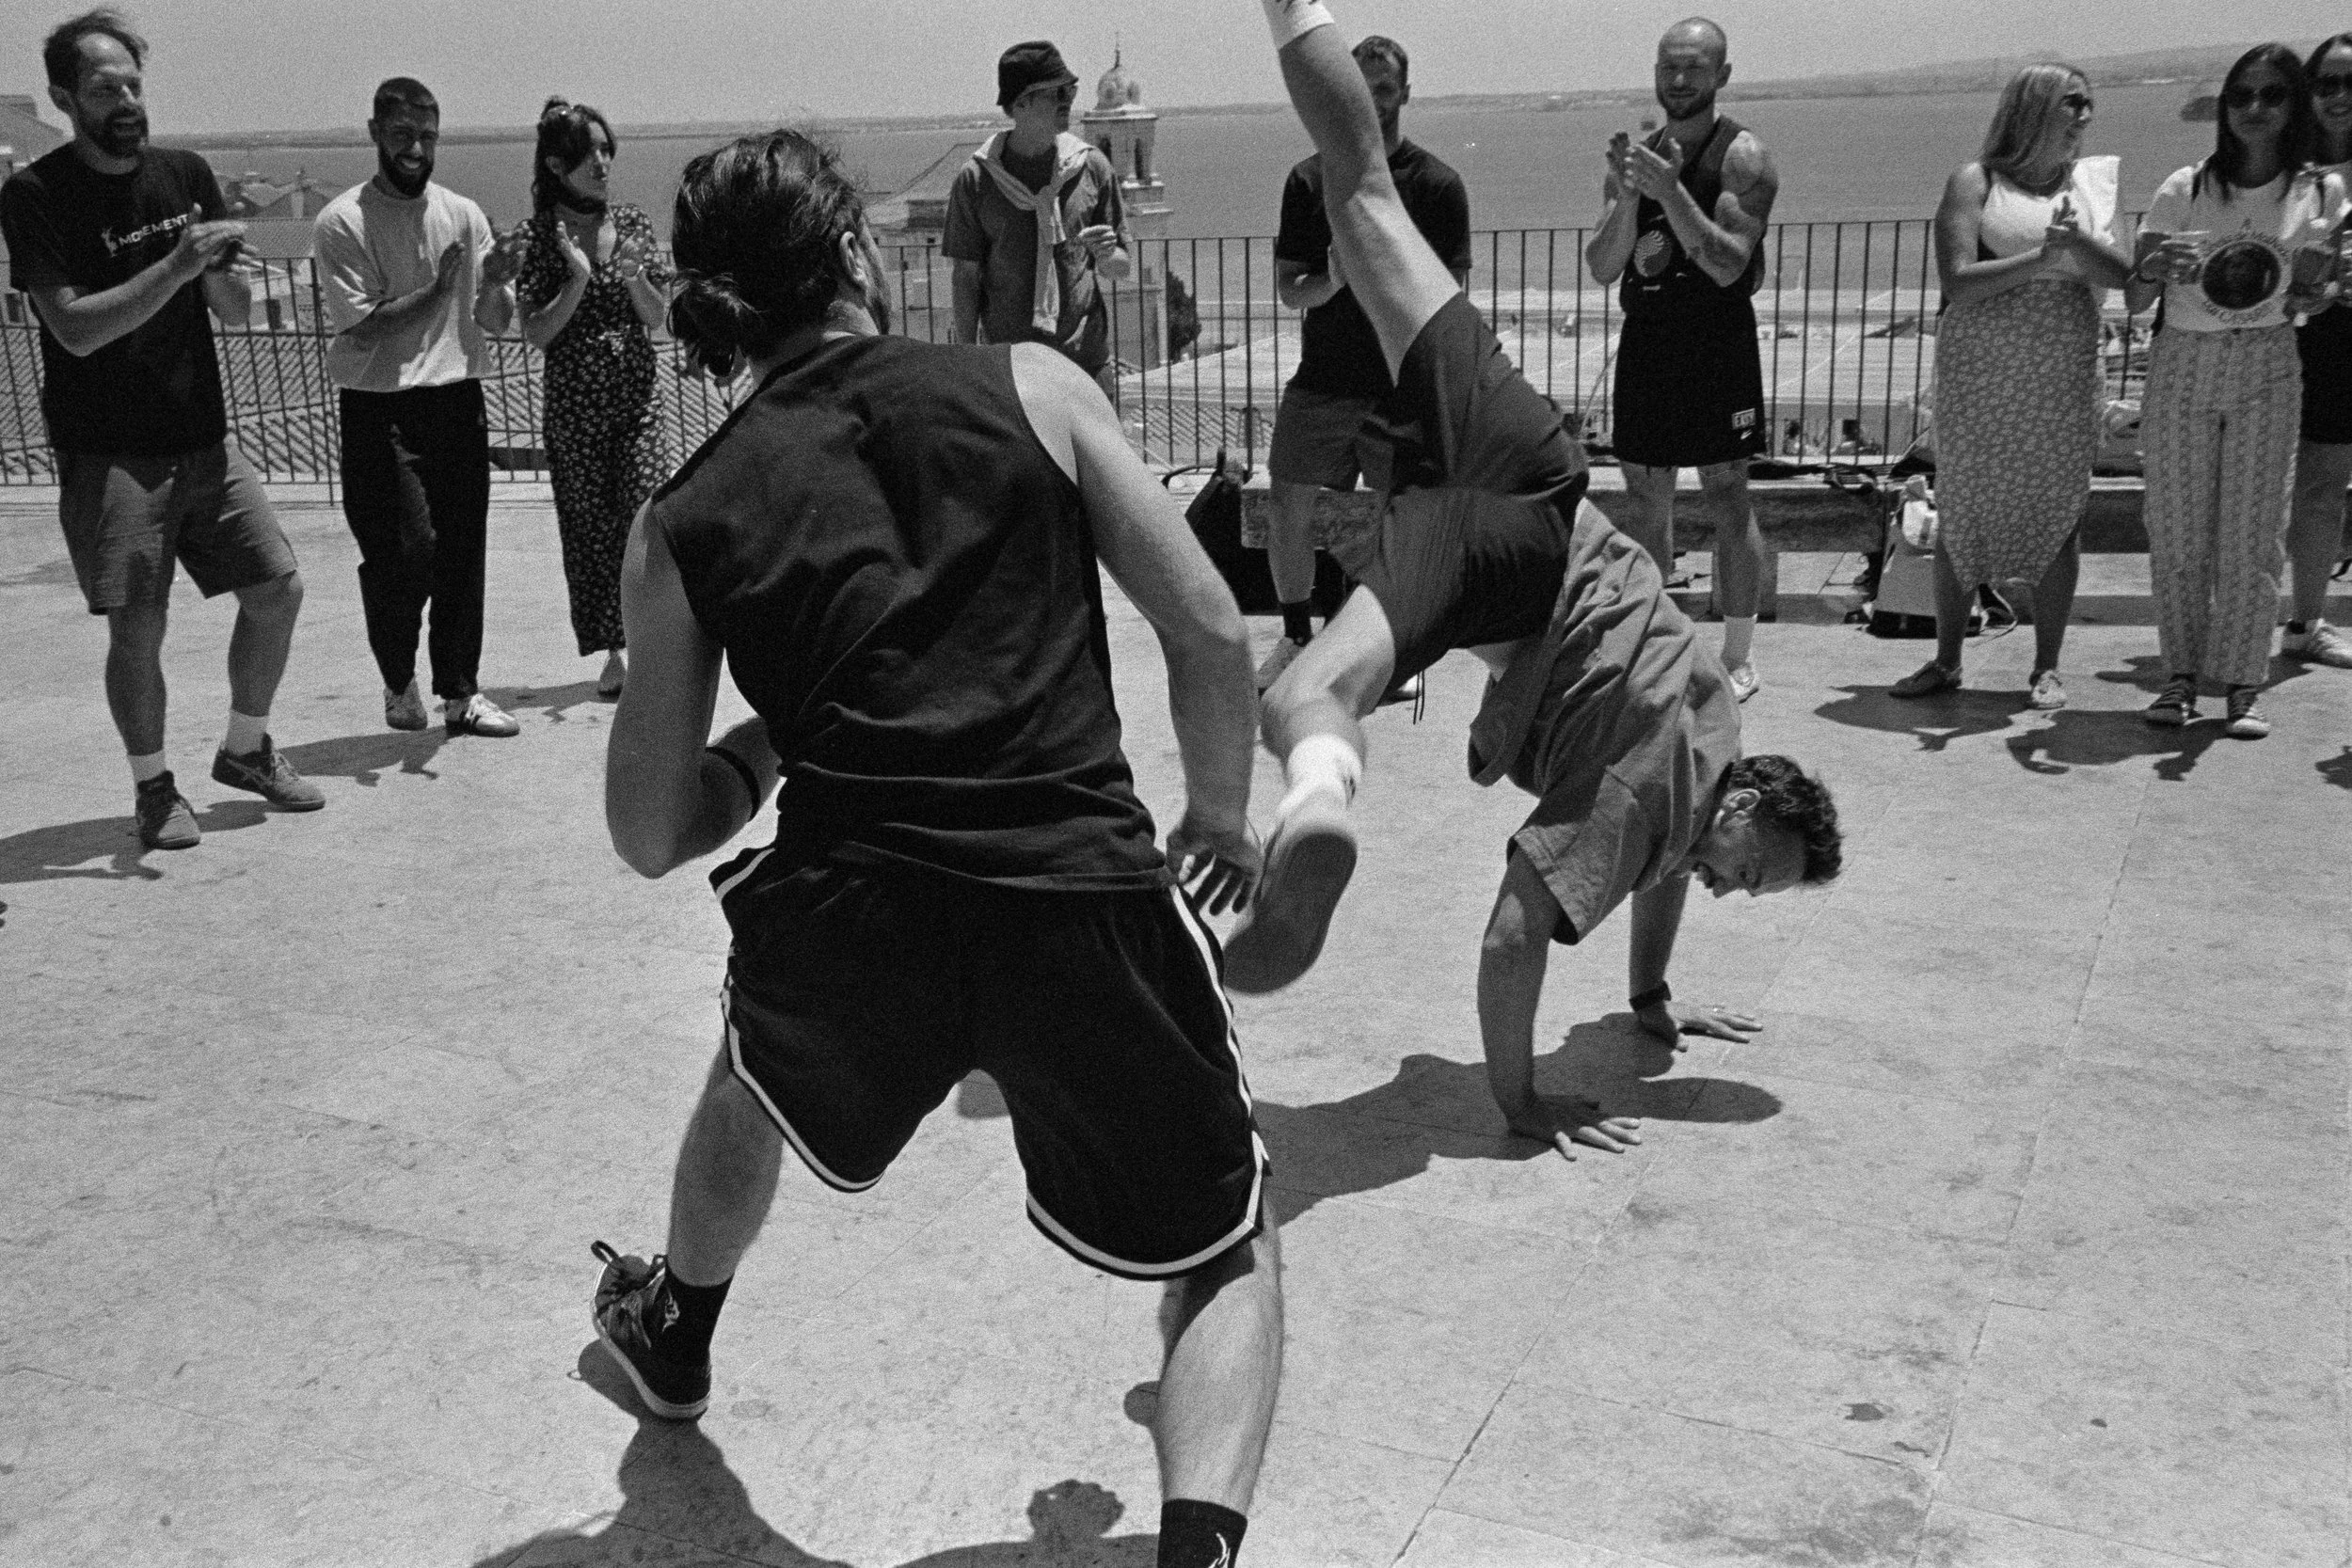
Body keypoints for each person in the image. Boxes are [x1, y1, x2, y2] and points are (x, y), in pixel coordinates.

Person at [593, 132, 1279, 1568]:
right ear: (852, 258)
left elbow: (651, 831)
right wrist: (1218, 815)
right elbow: (1210, 625)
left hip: (853, 920)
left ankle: (676, 1328)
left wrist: (770, 743)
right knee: (1223, 1245)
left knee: (748, 1077)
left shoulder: (684, 517)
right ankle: (1199, 1548)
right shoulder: (1032, 385)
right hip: (1074, 890)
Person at [1235, 0, 1842, 1161]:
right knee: (1302, 697)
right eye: (1752, 874)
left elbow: (1670, 864)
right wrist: (1518, 1103)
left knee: (1360, 187)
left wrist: (1652, 1003)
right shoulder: (1647, 799)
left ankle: (1287, 2)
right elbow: (1516, 931)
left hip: (1535, 466)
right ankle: (1315, 800)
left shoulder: (1710, 715)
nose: (1732, 891)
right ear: (1754, 806)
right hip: (1492, 568)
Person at [0, 8, 322, 850]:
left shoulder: (186, 173)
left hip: (204, 437)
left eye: (135, 85)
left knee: (277, 590)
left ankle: (246, 747)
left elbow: (237, 308)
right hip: (109, 452)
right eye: (107, 89)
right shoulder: (34, 196)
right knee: (139, 623)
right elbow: (72, 326)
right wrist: (176, 262)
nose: (128, 102)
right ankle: (153, 787)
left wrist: (218, 269)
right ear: (66, 98)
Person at [1891, 65, 2133, 709]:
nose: (2084, 114)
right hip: (1982, 376)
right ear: (2032, 109)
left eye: (2088, 102)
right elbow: (1958, 280)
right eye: (2070, 102)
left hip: (2062, 375)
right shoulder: (1977, 182)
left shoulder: (2091, 184)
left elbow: (2127, 280)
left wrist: (2077, 239)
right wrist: (2043, 259)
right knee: (1962, 515)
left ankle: (2046, 666)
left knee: (2060, 517)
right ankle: (1947, 659)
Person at [2127, 43, 2346, 737]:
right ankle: (2180, 677)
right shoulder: (2184, 187)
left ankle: (2243, 682)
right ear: (2225, 107)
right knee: (2179, 528)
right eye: (2241, 96)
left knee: (2255, 533)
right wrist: (2155, 266)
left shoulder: (2320, 192)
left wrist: (2321, 280)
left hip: (2269, 362)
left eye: (2272, 95)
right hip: (2185, 360)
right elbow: (2135, 299)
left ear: (2293, 106)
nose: (2255, 109)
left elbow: (2310, 300)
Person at [1258, 33, 1470, 691]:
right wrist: (1331, 281)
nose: (1374, 100)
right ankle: (1297, 636)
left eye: (1385, 88)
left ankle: (1383, 649)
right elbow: (1291, 288)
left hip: (1397, 384)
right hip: (1323, 381)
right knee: (1286, 501)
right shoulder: (1309, 180)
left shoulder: (1436, 184)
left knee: (1396, 518)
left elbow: (1453, 291)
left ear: (1405, 93)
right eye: (1363, 86)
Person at [312, 76, 520, 738]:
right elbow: (367, 327)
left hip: (457, 397)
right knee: (405, 551)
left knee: (462, 550)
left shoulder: (462, 212)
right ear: (375, 132)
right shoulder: (343, 220)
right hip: (381, 406)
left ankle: (460, 693)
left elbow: (492, 320)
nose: (415, 148)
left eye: (427, 135)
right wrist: (440, 289)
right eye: (402, 134)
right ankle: (398, 678)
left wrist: (495, 283)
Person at [1583, 17, 1777, 704]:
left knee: (1728, 493)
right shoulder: (1642, 152)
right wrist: (1632, 194)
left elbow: (1729, 264)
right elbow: (1604, 267)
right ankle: (1655, 641)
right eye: (1669, 67)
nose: (1679, 80)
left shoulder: (1742, 157)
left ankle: (1739, 652)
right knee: (1645, 501)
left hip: (1717, 341)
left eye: (1695, 67)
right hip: (1649, 341)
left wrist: (1671, 192)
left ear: (1722, 75)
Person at [478, 97, 671, 698]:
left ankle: (657, 641)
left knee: (647, 516)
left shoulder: (634, 223)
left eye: (607, 149)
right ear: (558, 166)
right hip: (575, 405)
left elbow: (657, 318)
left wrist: (636, 279)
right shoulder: (540, 238)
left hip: (636, 397)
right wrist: (580, 279)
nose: (603, 162)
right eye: (589, 153)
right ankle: (613, 653)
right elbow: (534, 330)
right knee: (589, 530)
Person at [945, 40, 1134, 395]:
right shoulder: (977, 178)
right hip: (1012, 373)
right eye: (1056, 92)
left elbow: (1122, 268)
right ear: (1020, 103)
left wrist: (1108, 255)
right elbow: (965, 278)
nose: (1068, 100)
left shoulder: (1091, 167)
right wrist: (968, 365)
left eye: (1071, 90)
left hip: (1086, 366)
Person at [2281, 31, 2352, 671]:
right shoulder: (2280, 167)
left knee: (2326, 488)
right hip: (2281, 337)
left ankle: (2307, 620)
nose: (2339, 96)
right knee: (2260, 486)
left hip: (2343, 343)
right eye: (2325, 83)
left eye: (2350, 83)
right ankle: (2234, 620)